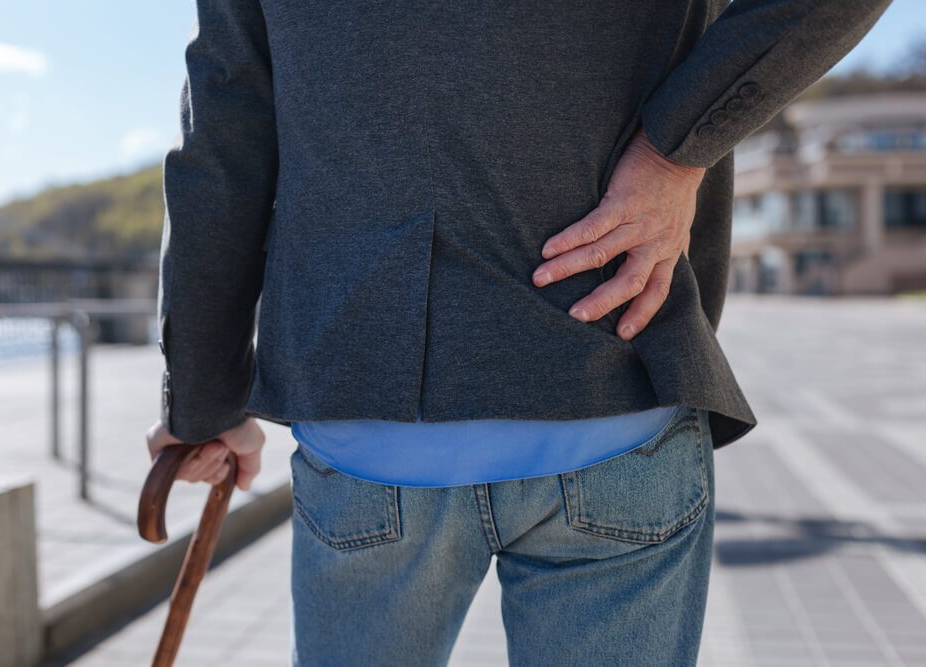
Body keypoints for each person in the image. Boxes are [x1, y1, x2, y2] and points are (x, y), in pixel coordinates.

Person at [145, 1, 891, 664]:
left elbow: (224, 136)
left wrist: (204, 402)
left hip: (370, 414)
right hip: (611, 381)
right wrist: (673, 150)